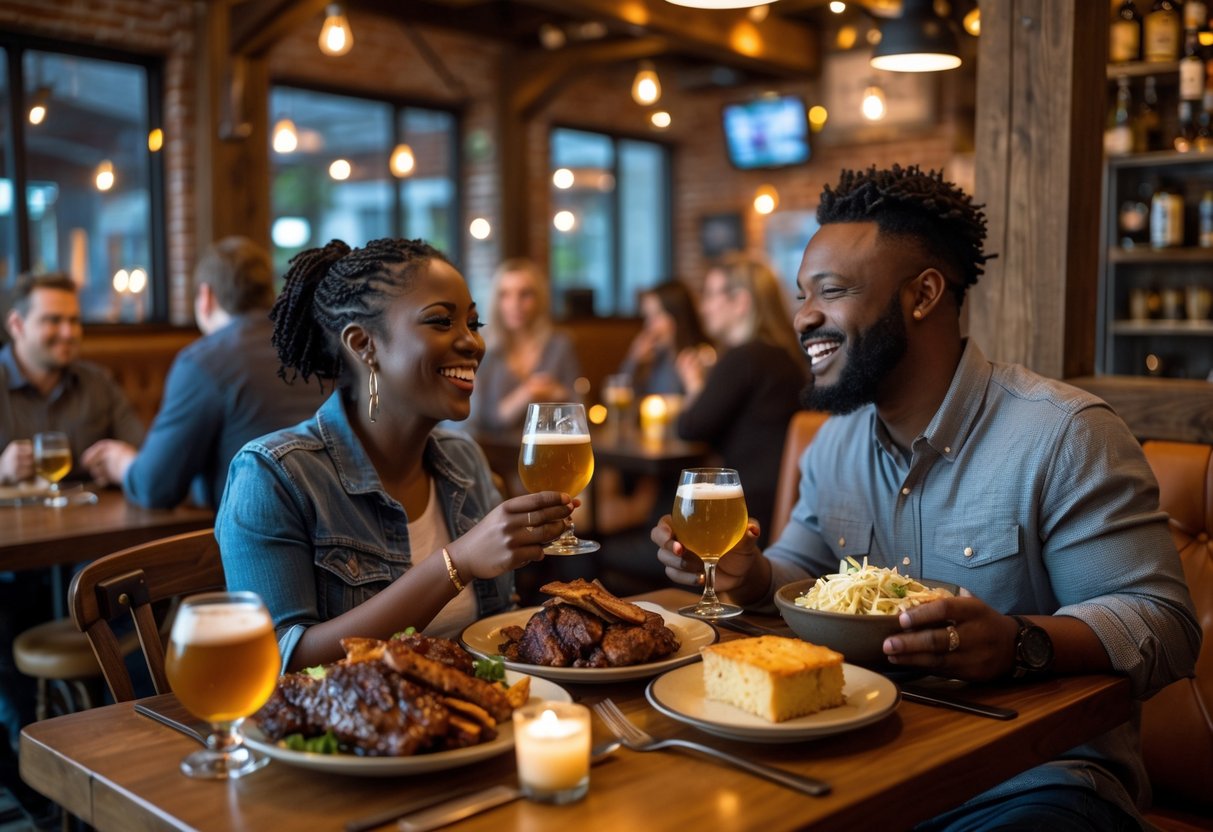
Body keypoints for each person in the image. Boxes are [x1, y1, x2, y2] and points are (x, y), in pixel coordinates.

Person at [653, 165, 1201, 830]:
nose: (803, 317)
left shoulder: (1061, 433)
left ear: (923, 294)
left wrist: (1020, 643)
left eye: (829, 291)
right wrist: (750, 574)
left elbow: (1163, 625)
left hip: (1033, 782)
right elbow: (796, 566)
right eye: (801, 294)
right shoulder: (834, 442)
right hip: (863, 767)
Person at [216, 238, 575, 671]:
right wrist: (455, 564)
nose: (473, 344)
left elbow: (498, 635)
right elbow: (276, 663)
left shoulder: (464, 460)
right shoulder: (273, 476)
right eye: (441, 322)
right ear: (363, 344)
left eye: (474, 324)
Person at [81, 237, 322, 508]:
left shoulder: (206, 361)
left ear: (206, 296)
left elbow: (156, 487)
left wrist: (121, 463)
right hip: (343, 527)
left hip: (256, 535)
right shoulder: (316, 347)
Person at [673, 253, 808, 546]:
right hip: (786, 509)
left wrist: (694, 385)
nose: (704, 307)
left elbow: (690, 429)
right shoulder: (788, 356)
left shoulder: (744, 357)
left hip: (740, 516)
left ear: (740, 302)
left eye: (710, 295)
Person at [0, 272, 144, 484]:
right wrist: (2, 469)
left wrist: (123, 463)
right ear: (16, 325)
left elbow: (142, 457)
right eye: (54, 320)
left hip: (93, 514)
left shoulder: (98, 383)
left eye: (74, 320)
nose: (68, 333)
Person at [467, 258, 581, 434]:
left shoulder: (560, 345)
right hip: (498, 453)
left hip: (550, 446)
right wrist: (527, 393)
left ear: (539, 299)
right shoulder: (484, 349)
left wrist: (555, 393)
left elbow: (579, 411)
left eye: (525, 294)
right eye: (505, 294)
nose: (515, 304)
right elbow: (482, 419)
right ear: (496, 301)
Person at [618, 279, 709, 397]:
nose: (649, 325)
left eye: (656, 316)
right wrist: (633, 361)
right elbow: (621, 394)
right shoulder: (653, 358)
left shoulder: (702, 358)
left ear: (677, 317)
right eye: (647, 316)